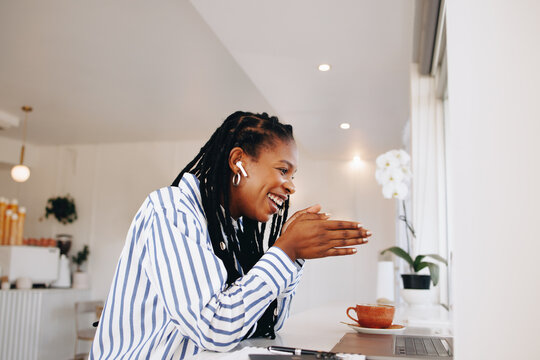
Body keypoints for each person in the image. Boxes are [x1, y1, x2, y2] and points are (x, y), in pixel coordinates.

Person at [90, 111, 371, 359]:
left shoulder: (234, 230)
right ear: (239, 162)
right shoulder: (172, 210)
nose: (291, 187)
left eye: (293, 176)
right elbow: (215, 328)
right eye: (283, 170)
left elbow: (267, 322)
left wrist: (293, 258)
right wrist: (286, 251)